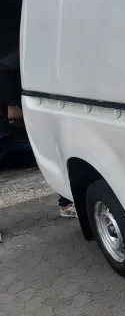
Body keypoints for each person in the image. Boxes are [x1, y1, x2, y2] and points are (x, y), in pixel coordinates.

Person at [0, 50, 77, 218]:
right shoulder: (30, 48)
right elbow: (3, 68)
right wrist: (12, 106)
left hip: (29, 111)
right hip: (10, 114)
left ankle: (66, 203)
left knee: (55, 152)